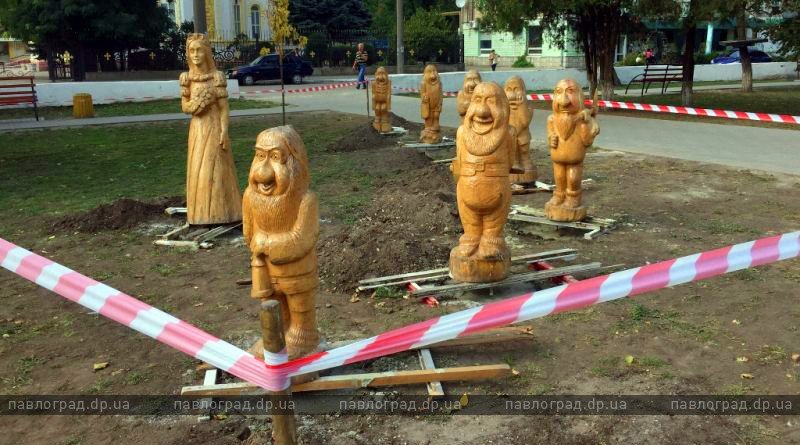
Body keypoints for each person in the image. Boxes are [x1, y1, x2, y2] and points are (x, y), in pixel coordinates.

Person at [179, 33, 242, 225]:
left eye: (199, 50)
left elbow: (224, 108)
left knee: (216, 168)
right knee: (198, 167)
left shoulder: (216, 77)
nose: (195, 55)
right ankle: (200, 213)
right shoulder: (186, 78)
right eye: (191, 51)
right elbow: (184, 106)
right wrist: (196, 105)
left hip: (214, 127)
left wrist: (224, 131)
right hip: (197, 130)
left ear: (207, 52)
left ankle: (223, 211)